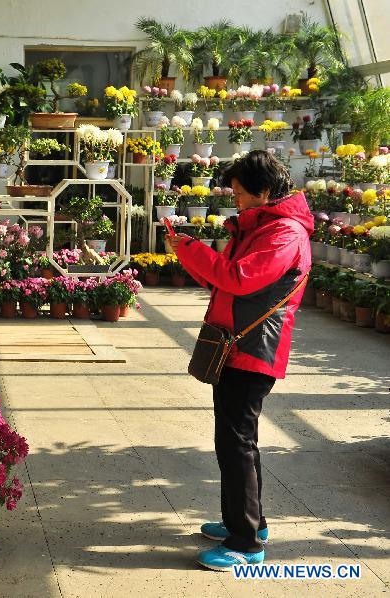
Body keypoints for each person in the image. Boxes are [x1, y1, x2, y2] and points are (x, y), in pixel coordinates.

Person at [168, 150, 313, 571]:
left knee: (236, 445)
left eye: (240, 191)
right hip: (234, 345)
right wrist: (186, 251)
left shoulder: (283, 233)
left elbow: (238, 278)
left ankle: (246, 543)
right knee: (236, 443)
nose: (235, 198)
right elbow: (222, 279)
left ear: (265, 191)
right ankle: (248, 522)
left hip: (252, 351)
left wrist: (193, 249)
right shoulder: (260, 226)